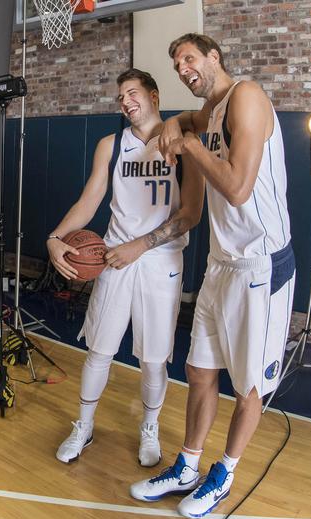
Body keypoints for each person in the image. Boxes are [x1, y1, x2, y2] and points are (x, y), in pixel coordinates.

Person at [129, 34, 295, 518]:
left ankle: (224, 472)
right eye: (177, 63)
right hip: (222, 264)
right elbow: (187, 120)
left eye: (189, 59)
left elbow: (239, 189)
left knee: (249, 386)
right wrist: (177, 128)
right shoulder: (214, 109)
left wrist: (187, 146)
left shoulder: (247, 95)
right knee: (200, 371)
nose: (183, 69)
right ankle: (187, 465)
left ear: (214, 57)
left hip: (261, 264)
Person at [46, 68, 204, 466]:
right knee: (98, 351)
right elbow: (89, 201)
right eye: (120, 96)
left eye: (132, 92)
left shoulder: (184, 145)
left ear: (153, 95)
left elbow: (190, 215)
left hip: (160, 259)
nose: (125, 101)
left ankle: (149, 428)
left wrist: (140, 246)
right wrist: (55, 237)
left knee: (153, 359)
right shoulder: (110, 145)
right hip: (115, 258)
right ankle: (83, 426)